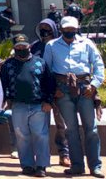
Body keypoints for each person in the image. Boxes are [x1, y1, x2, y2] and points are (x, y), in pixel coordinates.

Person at [43, 17, 105, 178]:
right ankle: (77, 165)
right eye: (66, 29)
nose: (69, 32)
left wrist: (94, 85)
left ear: (77, 29)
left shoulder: (87, 43)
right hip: (62, 89)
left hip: (85, 88)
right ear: (61, 29)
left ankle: (95, 166)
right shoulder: (51, 45)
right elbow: (46, 70)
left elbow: (98, 64)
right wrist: (53, 89)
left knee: (91, 128)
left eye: (72, 29)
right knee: (71, 129)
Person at [0, 34, 55, 177]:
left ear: (29, 46)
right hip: (18, 105)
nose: (21, 49)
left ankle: (41, 166)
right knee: (22, 136)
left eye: (23, 46)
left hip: (38, 105)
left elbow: (49, 83)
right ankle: (27, 165)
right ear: (14, 48)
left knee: (41, 135)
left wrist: (49, 101)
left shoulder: (40, 63)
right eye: (18, 47)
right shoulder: (8, 65)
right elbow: (3, 84)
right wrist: (6, 99)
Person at [32, 19, 71, 167]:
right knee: (41, 126)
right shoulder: (34, 47)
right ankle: (42, 157)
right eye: (41, 28)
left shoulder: (58, 45)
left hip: (59, 90)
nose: (44, 31)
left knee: (62, 124)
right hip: (41, 91)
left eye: (47, 28)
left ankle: (64, 154)